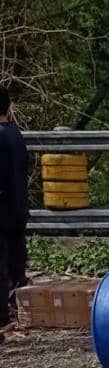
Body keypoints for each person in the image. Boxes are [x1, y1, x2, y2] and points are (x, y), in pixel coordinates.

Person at [0, 88, 29, 334]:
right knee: (15, 264)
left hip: (2, 210)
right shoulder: (15, 134)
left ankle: (3, 320)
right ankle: (17, 311)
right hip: (18, 209)